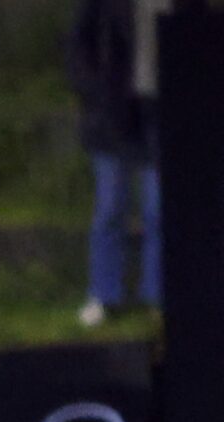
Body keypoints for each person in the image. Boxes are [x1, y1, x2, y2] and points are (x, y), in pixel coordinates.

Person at [68, 0, 168, 326]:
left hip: (161, 111)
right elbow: (78, 40)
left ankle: (158, 297)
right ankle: (103, 293)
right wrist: (92, 91)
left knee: (159, 209)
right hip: (113, 112)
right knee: (111, 206)